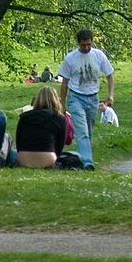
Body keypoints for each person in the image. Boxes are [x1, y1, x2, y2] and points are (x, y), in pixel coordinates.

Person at [56, 28, 115, 170]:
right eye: (83, 45)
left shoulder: (99, 55)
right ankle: (87, 161)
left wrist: (110, 94)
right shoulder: (70, 58)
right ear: (78, 43)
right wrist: (62, 103)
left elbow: (110, 75)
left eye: (89, 44)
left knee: (88, 130)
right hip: (76, 97)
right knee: (81, 130)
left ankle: (84, 154)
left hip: (93, 97)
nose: (86, 47)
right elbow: (64, 82)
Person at [14, 85, 69, 169]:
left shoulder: (24, 117)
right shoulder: (59, 118)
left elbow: (18, 140)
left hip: (23, 158)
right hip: (48, 159)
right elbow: (60, 144)